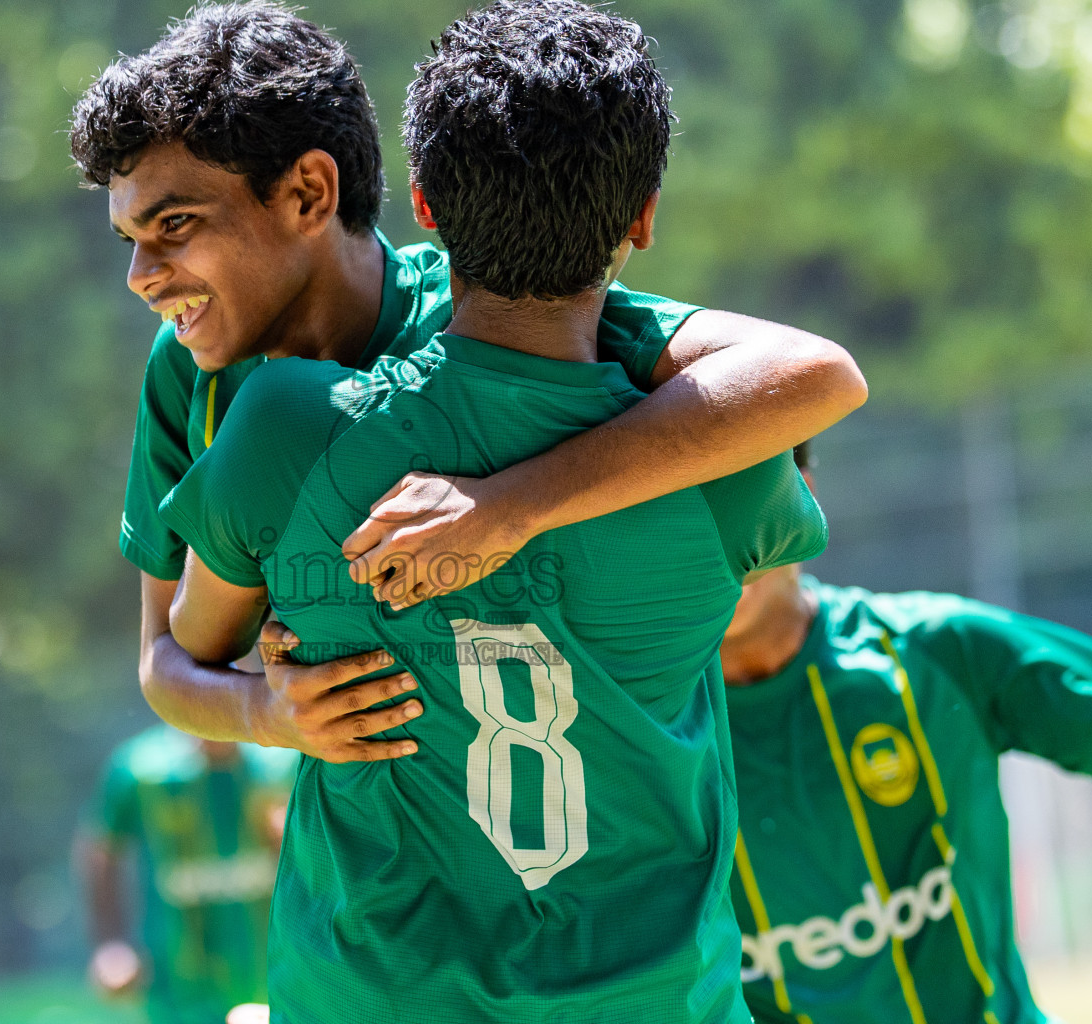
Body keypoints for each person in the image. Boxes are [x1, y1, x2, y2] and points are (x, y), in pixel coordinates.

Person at [156, 3, 826, 1020]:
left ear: (423, 204)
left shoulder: (288, 427)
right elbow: (795, 429)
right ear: (642, 219)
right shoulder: (725, 463)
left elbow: (180, 660)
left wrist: (269, 707)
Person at [67, 0, 868, 763]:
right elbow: (162, 665)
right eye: (130, 238)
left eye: (174, 225)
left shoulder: (496, 309)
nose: (140, 275)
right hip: (391, 862)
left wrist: (510, 507)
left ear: (309, 192)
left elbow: (816, 377)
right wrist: (267, 714)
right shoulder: (189, 379)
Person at [720, 443, 1092, 1024]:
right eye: (681, 509)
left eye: (738, 496)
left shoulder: (941, 649)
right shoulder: (640, 731)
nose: (720, 535)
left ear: (800, 492)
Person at [77, 724, 297, 1023]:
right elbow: (102, 850)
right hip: (177, 983)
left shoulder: (283, 760)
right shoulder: (140, 767)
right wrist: (112, 943)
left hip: (278, 972)